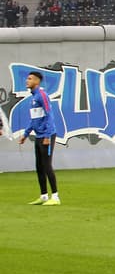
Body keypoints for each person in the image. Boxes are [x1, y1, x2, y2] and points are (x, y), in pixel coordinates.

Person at [19, 71, 60, 205]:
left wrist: (47, 135)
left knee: (47, 166)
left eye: (30, 79)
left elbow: (49, 115)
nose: (27, 81)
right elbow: (34, 120)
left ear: (37, 81)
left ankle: (55, 197)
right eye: (27, 78)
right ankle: (43, 196)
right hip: (38, 135)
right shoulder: (33, 98)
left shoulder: (42, 95)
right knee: (39, 166)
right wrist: (25, 134)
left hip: (47, 135)